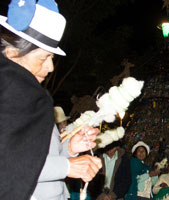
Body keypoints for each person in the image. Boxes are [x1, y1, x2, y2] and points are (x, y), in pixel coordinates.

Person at [0, 0, 102, 199]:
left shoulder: (29, 97)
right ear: (12, 53)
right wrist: (67, 167)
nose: (50, 68)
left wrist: (69, 149)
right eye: (43, 58)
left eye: (51, 59)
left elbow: (37, 162)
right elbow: (9, 164)